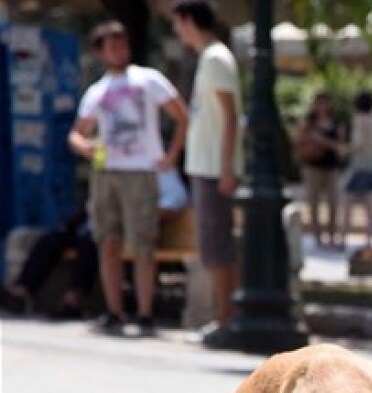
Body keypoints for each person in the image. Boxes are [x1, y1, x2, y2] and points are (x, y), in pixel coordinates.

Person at [68, 20, 188, 337]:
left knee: (142, 244)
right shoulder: (97, 91)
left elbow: (181, 115)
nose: (119, 50)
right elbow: (76, 135)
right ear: (101, 52)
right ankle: (114, 310)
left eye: (123, 43)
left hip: (140, 171)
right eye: (112, 45)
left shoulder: (148, 80)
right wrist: (87, 147)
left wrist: (172, 155)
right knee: (108, 240)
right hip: (107, 171)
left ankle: (145, 313)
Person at [171, 0, 245, 348]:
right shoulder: (212, 58)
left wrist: (227, 167)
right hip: (209, 165)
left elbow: (230, 116)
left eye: (178, 23)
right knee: (215, 246)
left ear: (188, 20)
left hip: (215, 167)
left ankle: (226, 319)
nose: (176, 31)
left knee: (217, 247)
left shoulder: (216, 58)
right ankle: (225, 318)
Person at [0, 208, 98, 320]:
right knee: (51, 240)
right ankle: (21, 292)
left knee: (88, 244)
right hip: (88, 229)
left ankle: (73, 302)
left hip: (107, 234)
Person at [297, 92, 347, 249]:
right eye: (320, 103)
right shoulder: (308, 121)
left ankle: (332, 235)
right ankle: (318, 237)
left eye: (325, 103)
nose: (323, 106)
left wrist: (322, 140)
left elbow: (340, 146)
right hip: (312, 167)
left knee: (333, 203)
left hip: (331, 167)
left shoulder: (337, 123)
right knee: (313, 203)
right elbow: (300, 139)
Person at [338, 91, 372, 254]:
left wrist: (345, 149)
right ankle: (369, 242)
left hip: (359, 167)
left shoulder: (359, 120)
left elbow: (358, 143)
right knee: (370, 210)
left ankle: (342, 240)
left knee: (347, 206)